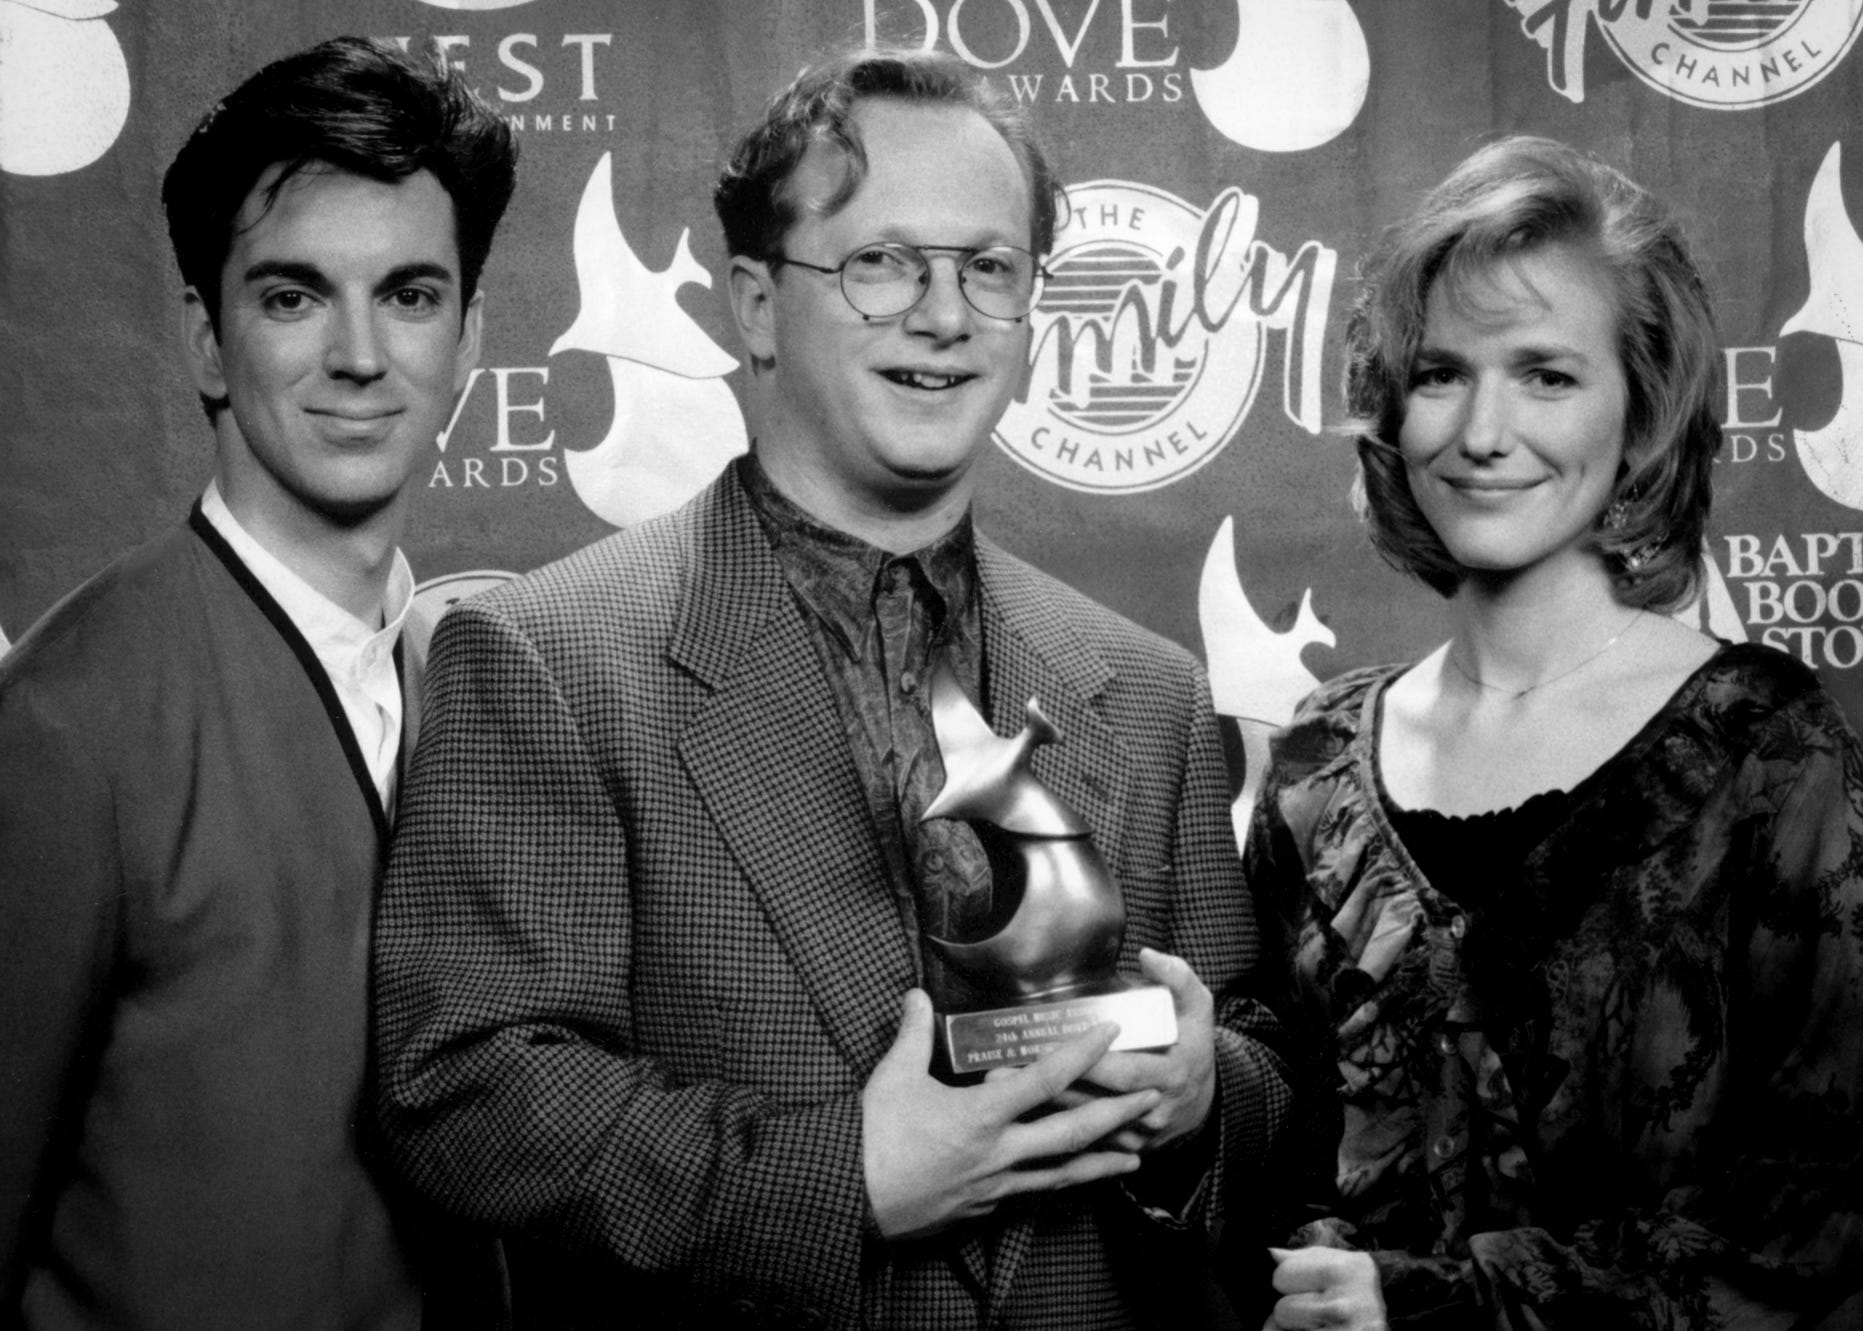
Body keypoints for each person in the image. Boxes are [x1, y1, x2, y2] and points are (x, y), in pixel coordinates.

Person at [375, 48, 1291, 1330]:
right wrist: (843, 1175)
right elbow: (468, 1090)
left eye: (989, 268)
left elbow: (1262, 1062)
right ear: (756, 305)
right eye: (882, 262)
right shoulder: (548, 658)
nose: (945, 314)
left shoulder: (1149, 690)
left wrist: (1203, 1091)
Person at [1248, 135, 1863, 1330]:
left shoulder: (1765, 752)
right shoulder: (1314, 767)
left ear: (1642, 413)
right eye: (1441, 373)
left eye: (1546, 375)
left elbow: (1823, 1215)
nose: (1484, 431)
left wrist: (1433, 1304)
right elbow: (1275, 1159)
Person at [0, 37, 517, 1328]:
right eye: (293, 296)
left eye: (409, 294)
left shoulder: (482, 678)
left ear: (467, 338)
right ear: (206, 338)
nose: (360, 353)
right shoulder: (67, 720)